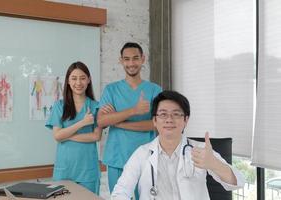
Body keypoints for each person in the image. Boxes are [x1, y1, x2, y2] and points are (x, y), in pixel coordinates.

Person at [111, 90, 245, 200]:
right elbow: (121, 191)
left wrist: (214, 164)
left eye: (176, 114)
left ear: (186, 120)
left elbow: (237, 182)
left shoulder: (201, 151)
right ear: (155, 120)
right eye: (163, 114)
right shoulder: (142, 153)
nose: (169, 119)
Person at [97, 42, 162, 195]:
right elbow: (101, 121)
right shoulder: (111, 90)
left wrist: (117, 121)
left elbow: (156, 124)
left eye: (135, 58)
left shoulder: (155, 90)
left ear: (143, 59)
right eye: (126, 59)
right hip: (117, 157)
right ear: (121, 61)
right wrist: (134, 110)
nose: (131, 63)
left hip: (146, 158)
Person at [45, 61, 102, 194]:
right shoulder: (60, 106)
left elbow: (96, 136)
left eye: (82, 78)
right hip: (64, 170)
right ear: (68, 82)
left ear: (89, 80)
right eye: (74, 78)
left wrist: (67, 135)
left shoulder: (96, 106)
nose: (78, 83)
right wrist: (82, 123)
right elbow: (57, 136)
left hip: (88, 171)